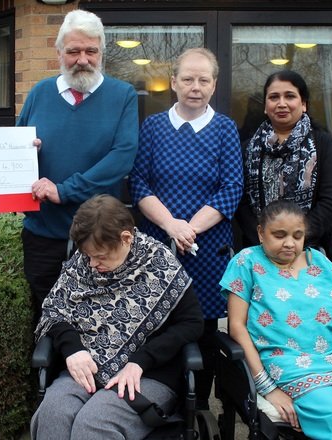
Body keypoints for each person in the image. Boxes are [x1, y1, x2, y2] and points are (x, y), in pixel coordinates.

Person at [31, 194, 204, 440]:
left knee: (94, 424)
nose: (91, 264)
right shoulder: (82, 263)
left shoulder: (159, 263)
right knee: (53, 413)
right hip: (86, 366)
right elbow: (54, 309)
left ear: (126, 238)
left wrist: (140, 361)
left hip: (148, 373)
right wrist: (73, 350)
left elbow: (192, 324)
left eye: (100, 257)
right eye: (88, 256)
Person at [128, 47, 243, 409]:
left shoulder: (224, 129)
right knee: (154, 321)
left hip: (207, 250)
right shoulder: (153, 127)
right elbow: (139, 185)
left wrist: (189, 229)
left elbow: (232, 189)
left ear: (214, 84)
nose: (196, 86)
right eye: (188, 79)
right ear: (174, 82)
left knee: (204, 328)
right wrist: (172, 226)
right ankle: (159, 398)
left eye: (204, 80)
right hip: (157, 245)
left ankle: (200, 405)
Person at [16, 9, 139, 323]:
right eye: (73, 51)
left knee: (99, 322)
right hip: (43, 233)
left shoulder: (122, 95)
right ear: (59, 53)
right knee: (45, 321)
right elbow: (12, 149)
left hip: (100, 238)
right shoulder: (40, 93)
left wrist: (65, 190)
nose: (82, 59)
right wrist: (27, 153)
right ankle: (46, 375)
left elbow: (122, 157)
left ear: (101, 53)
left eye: (90, 51)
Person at [220, 199, 332, 439]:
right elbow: (237, 327)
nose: (290, 243)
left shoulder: (320, 262)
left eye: (297, 235)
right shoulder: (246, 262)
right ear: (261, 233)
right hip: (287, 362)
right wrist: (267, 388)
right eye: (279, 235)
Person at [236, 70, 332, 264]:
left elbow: (331, 200)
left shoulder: (323, 144)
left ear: (303, 104)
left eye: (290, 96)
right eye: (274, 97)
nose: (282, 103)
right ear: (265, 106)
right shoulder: (248, 148)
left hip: (311, 252)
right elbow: (241, 202)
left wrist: (294, 240)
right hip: (258, 253)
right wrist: (266, 241)